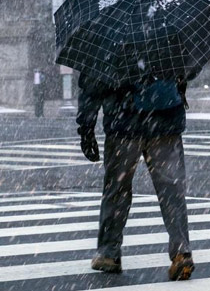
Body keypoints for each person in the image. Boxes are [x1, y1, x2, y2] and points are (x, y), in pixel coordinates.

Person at [76, 73, 194, 280]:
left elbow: (92, 83)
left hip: (124, 123)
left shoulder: (108, 43)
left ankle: (109, 253)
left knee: (117, 190)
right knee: (171, 190)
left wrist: (86, 127)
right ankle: (181, 252)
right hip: (165, 121)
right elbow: (186, 71)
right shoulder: (167, 42)